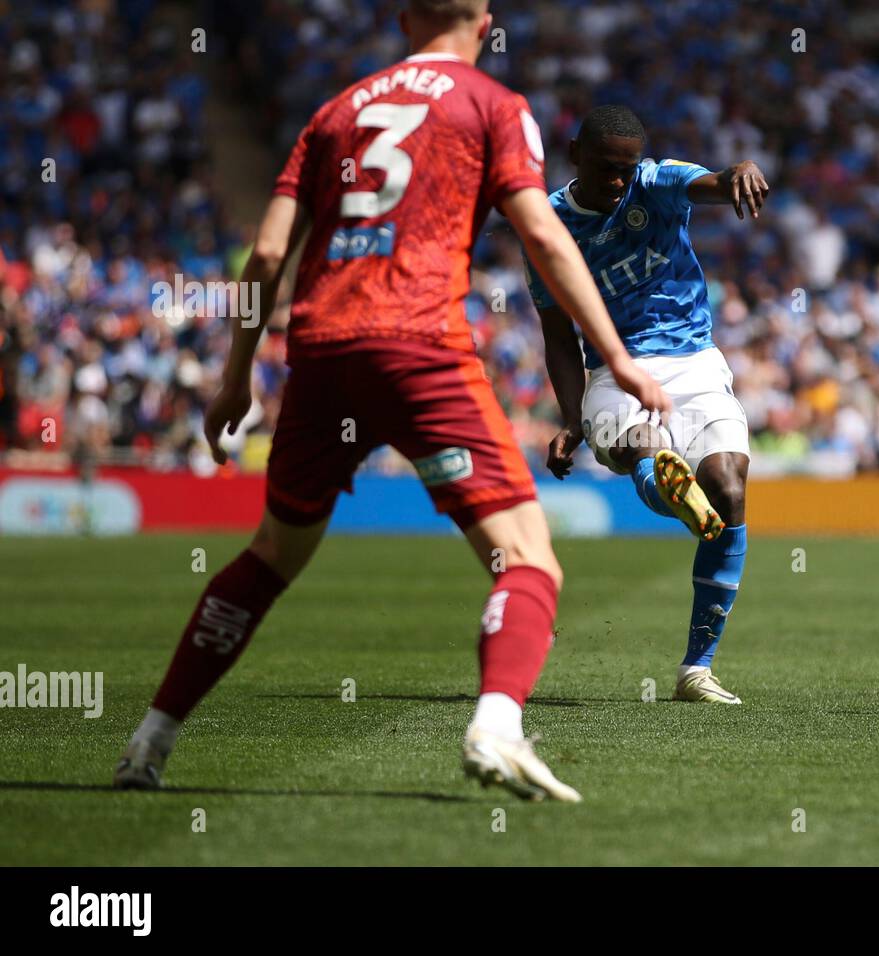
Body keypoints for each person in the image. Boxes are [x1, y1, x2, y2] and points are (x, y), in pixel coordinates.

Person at [113, 0, 669, 803]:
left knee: (271, 555)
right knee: (529, 559)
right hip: (418, 347)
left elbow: (266, 253)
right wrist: (616, 356)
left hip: (320, 352)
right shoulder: (493, 106)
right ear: (483, 26)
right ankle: (496, 725)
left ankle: (149, 741)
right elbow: (545, 237)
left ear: (404, 19)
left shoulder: (334, 112)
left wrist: (236, 375)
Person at [527, 105, 768, 705]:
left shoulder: (654, 180)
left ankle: (697, 671)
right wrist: (569, 416)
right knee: (644, 447)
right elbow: (559, 336)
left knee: (730, 487)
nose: (618, 181)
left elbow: (706, 184)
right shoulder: (548, 227)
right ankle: (666, 487)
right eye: (607, 168)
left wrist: (737, 169)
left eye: (626, 169)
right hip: (613, 367)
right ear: (576, 151)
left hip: (694, 361)